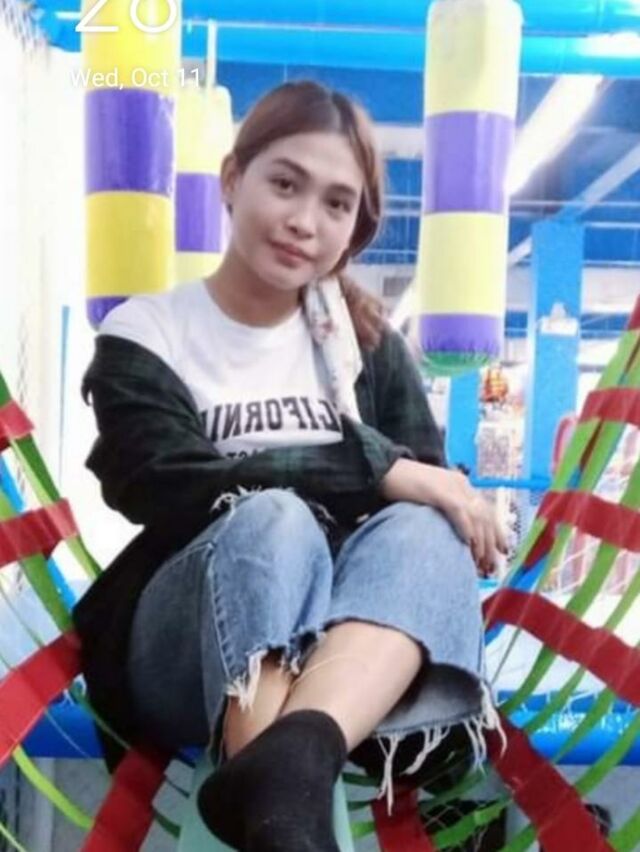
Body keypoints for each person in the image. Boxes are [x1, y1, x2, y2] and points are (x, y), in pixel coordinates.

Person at [74, 80, 506, 852]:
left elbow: (421, 522)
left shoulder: (368, 349)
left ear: (354, 227)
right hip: (185, 649)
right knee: (272, 517)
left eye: (337, 204)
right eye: (284, 184)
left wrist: (400, 481)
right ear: (232, 179)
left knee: (424, 527)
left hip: (349, 665)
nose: (306, 221)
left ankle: (287, 779)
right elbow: (158, 482)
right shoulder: (149, 333)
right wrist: (374, 468)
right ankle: (282, 790)